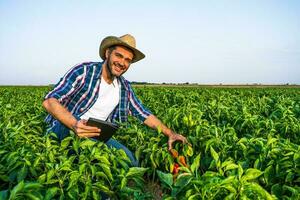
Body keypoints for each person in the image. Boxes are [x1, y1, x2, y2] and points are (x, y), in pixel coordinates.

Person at [42, 34, 188, 166]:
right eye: (118, 56)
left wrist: (170, 133)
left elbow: (143, 113)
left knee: (131, 162)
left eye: (127, 60)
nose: (122, 63)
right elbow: (50, 100)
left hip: (96, 134)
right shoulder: (85, 71)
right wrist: (74, 124)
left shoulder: (123, 86)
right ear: (107, 54)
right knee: (94, 164)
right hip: (66, 128)